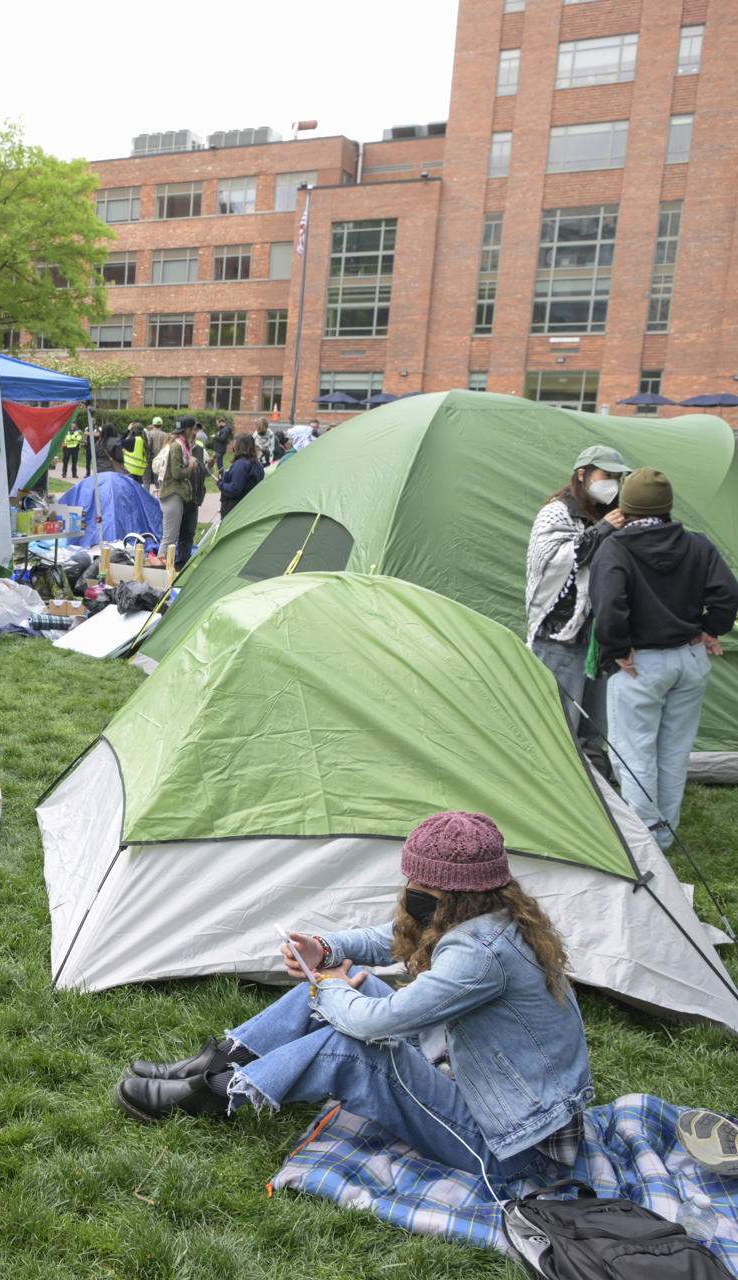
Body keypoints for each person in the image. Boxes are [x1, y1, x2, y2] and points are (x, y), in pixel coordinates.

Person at [118, 811, 592, 1185]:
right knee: (347, 984)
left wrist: (327, 984)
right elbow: (396, 936)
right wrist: (325, 951)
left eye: (419, 887)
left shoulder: (480, 954)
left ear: (449, 891)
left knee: (352, 1045)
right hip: (501, 1107)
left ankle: (220, 1095)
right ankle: (217, 1065)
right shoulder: (493, 912)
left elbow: (374, 1024)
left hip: (513, 1151)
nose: (410, 894)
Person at [589, 468, 738, 851]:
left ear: (627, 507)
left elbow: (608, 608)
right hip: (689, 660)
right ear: (667, 506)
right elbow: (726, 594)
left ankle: (643, 843)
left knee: (634, 753)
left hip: (640, 664)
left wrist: (617, 649)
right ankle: (663, 835)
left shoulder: (616, 547)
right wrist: (709, 629)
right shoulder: (698, 544)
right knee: (674, 751)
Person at [526, 446, 632, 772]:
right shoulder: (557, 513)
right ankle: (553, 786)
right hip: (559, 635)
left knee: (595, 724)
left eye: (617, 476)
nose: (612, 482)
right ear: (583, 474)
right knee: (557, 721)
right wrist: (602, 531)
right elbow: (550, 562)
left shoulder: (615, 513)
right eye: (605, 475)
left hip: (599, 639)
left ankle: (596, 791)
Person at [151, 418, 202, 572]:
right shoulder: (176, 447)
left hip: (176, 495)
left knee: (171, 537)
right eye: (193, 429)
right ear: (186, 430)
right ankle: (160, 573)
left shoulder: (183, 446)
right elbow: (177, 473)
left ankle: (165, 570)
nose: (194, 432)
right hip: (171, 494)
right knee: (169, 537)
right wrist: (191, 465)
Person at [217, 432, 264, 517]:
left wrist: (221, 484)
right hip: (250, 509)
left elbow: (235, 489)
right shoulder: (258, 465)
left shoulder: (241, 464)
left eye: (235, 444)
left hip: (235, 510)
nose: (233, 447)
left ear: (239, 446)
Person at [121, 422, 151, 487]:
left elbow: (120, 441)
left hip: (130, 469)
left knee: (130, 490)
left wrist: (127, 430)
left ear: (133, 430)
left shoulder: (133, 440)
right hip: (139, 470)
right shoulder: (143, 440)